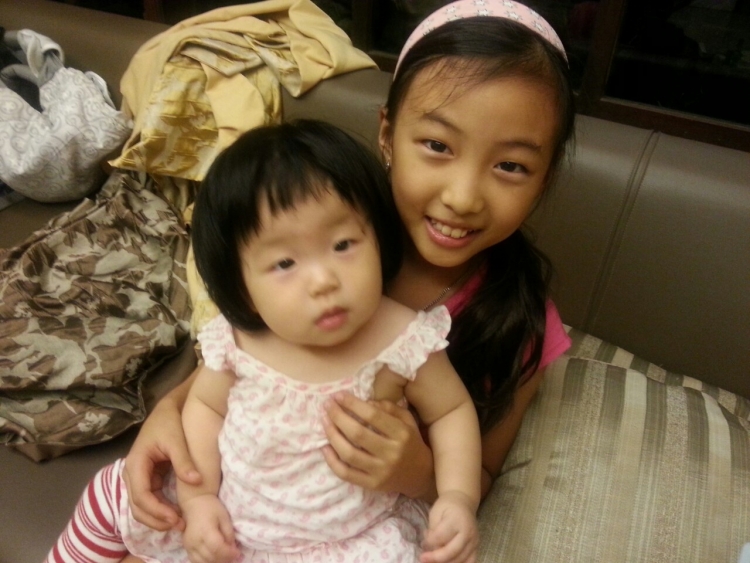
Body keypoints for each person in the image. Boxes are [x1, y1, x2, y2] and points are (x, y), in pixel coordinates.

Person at [123, 0, 575, 555]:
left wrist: (419, 473)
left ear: (545, 177)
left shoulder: (523, 322)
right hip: (244, 504)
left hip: (358, 523)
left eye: (510, 166)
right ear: (387, 134)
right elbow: (239, 361)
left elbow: (480, 473)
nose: (462, 197)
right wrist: (167, 414)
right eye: (437, 145)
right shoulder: (328, 232)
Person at [45, 120, 482, 563]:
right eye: (285, 263)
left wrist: (457, 497)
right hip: (229, 516)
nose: (324, 280)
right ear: (244, 291)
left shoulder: (403, 339)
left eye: (343, 244)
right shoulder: (239, 341)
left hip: (344, 540)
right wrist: (200, 500)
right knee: (113, 490)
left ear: (378, 238)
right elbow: (205, 407)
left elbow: (451, 411)